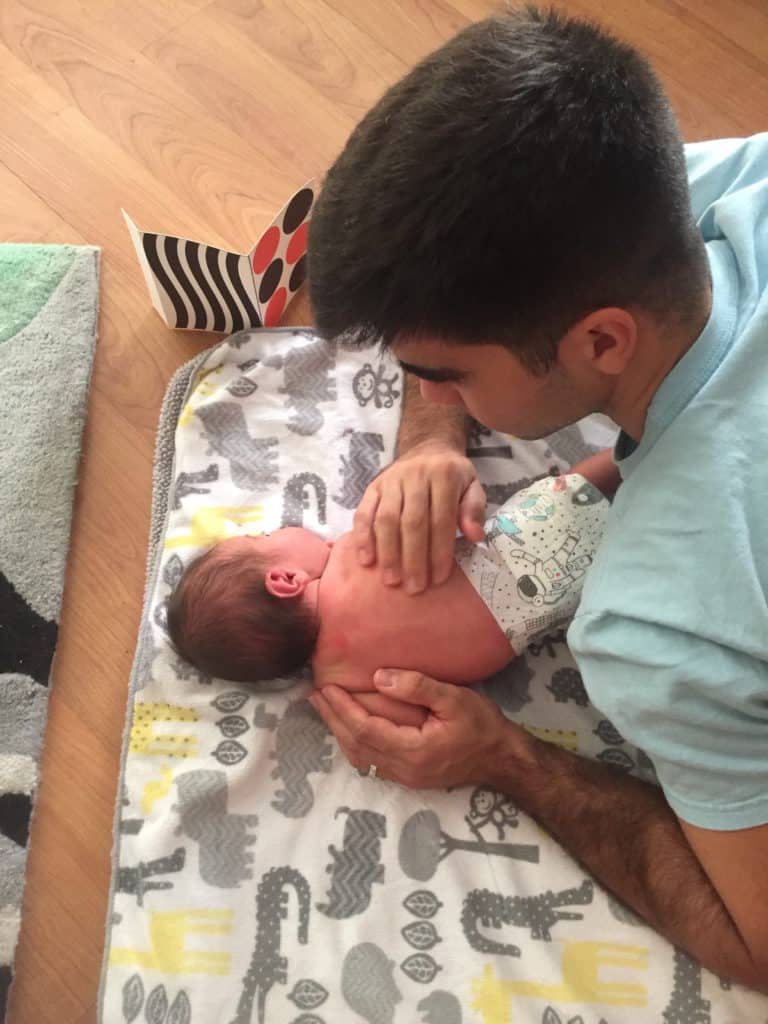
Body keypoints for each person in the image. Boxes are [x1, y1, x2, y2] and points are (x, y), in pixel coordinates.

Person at [305, 6, 768, 991]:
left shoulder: (659, 625)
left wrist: (512, 760)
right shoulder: (720, 183)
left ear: (601, 341)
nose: (428, 396)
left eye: (444, 375)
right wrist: (433, 443)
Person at [167, 458, 611, 728]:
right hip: (524, 547)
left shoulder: (339, 684)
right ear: (285, 580)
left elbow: (417, 716)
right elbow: (423, 517)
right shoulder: (350, 555)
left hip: (550, 620)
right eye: (264, 537)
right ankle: (639, 448)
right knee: (583, 484)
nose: (277, 529)